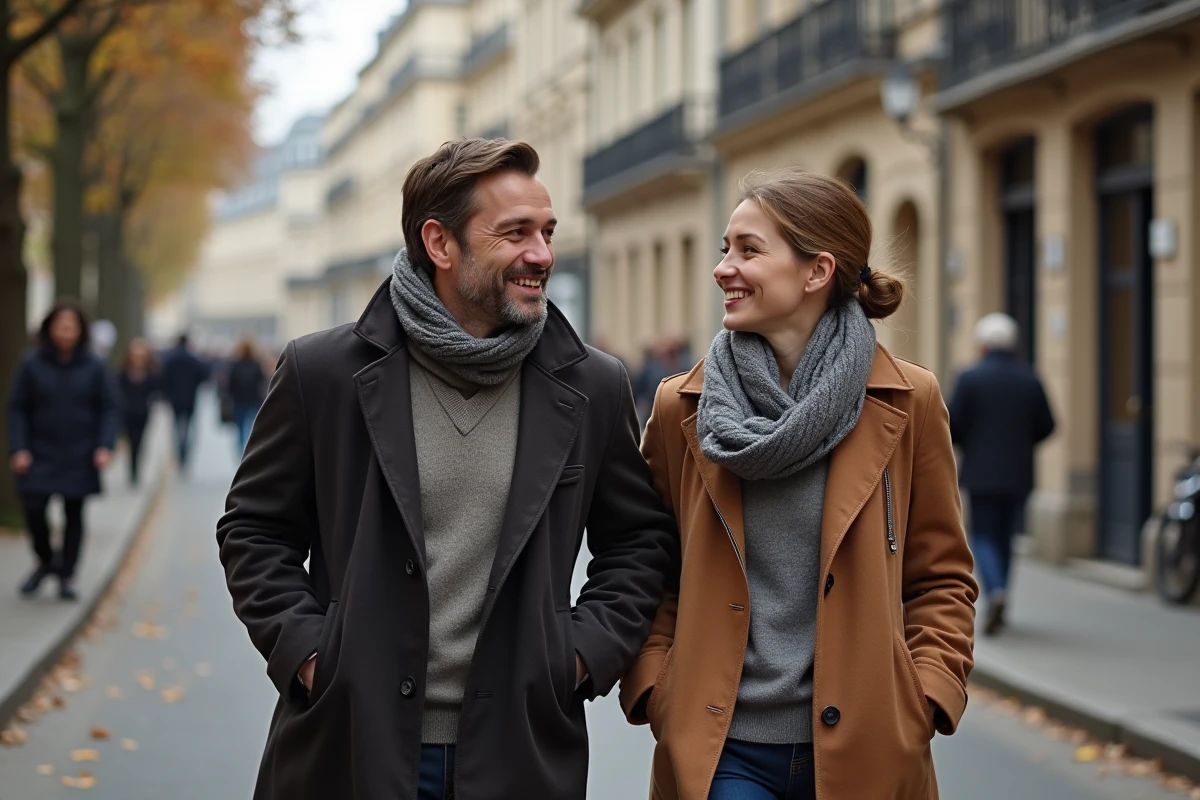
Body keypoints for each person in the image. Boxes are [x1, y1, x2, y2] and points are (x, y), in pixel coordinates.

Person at [216, 138, 677, 800]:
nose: (542, 255)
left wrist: (578, 657)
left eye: (547, 232)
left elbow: (638, 541)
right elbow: (255, 530)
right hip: (350, 745)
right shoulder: (325, 373)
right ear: (439, 243)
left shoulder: (593, 385)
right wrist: (311, 655)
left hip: (518, 750)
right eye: (515, 233)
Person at [619, 170, 978, 799]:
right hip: (721, 747)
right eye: (725, 248)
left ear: (817, 272)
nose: (724, 267)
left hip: (869, 745)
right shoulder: (682, 407)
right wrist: (656, 684)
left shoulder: (907, 400)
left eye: (749, 250)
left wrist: (927, 694)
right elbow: (650, 563)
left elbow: (942, 575)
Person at [948, 312, 1055, 636]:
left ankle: (995, 590)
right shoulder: (1029, 378)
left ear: (982, 345)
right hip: (1018, 473)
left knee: (982, 535)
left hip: (980, 472)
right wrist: (1023, 444)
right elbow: (1048, 424)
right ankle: (1003, 592)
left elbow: (951, 424)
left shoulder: (971, 378)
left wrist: (970, 442)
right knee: (1007, 536)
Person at [7, 301, 119, 601]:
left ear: (81, 330)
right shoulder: (31, 364)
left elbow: (109, 408)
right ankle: (46, 562)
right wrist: (19, 448)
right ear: (50, 328)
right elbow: (18, 408)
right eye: (60, 325)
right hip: (38, 452)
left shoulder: (95, 366)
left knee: (74, 514)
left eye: (72, 326)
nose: (66, 331)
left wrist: (103, 446)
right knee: (33, 509)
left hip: (80, 453)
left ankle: (66, 575)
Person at [160, 333, 210, 470]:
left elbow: (163, 378)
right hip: (190, 398)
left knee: (177, 427)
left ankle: (180, 451)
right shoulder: (193, 359)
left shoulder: (170, 359)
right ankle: (184, 452)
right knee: (187, 427)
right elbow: (205, 374)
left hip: (175, 399)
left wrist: (166, 394)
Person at [117, 338, 160, 486]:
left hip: (142, 413)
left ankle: (136, 469)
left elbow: (156, 390)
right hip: (127, 413)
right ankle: (132, 469)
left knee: (139, 442)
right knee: (130, 442)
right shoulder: (123, 372)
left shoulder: (150, 372)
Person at [223, 338, 267, 456]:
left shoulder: (235, 365)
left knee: (240, 430)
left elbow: (230, 385)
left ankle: (242, 455)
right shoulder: (257, 364)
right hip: (253, 401)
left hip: (239, 401)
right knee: (253, 429)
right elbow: (262, 382)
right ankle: (252, 452)